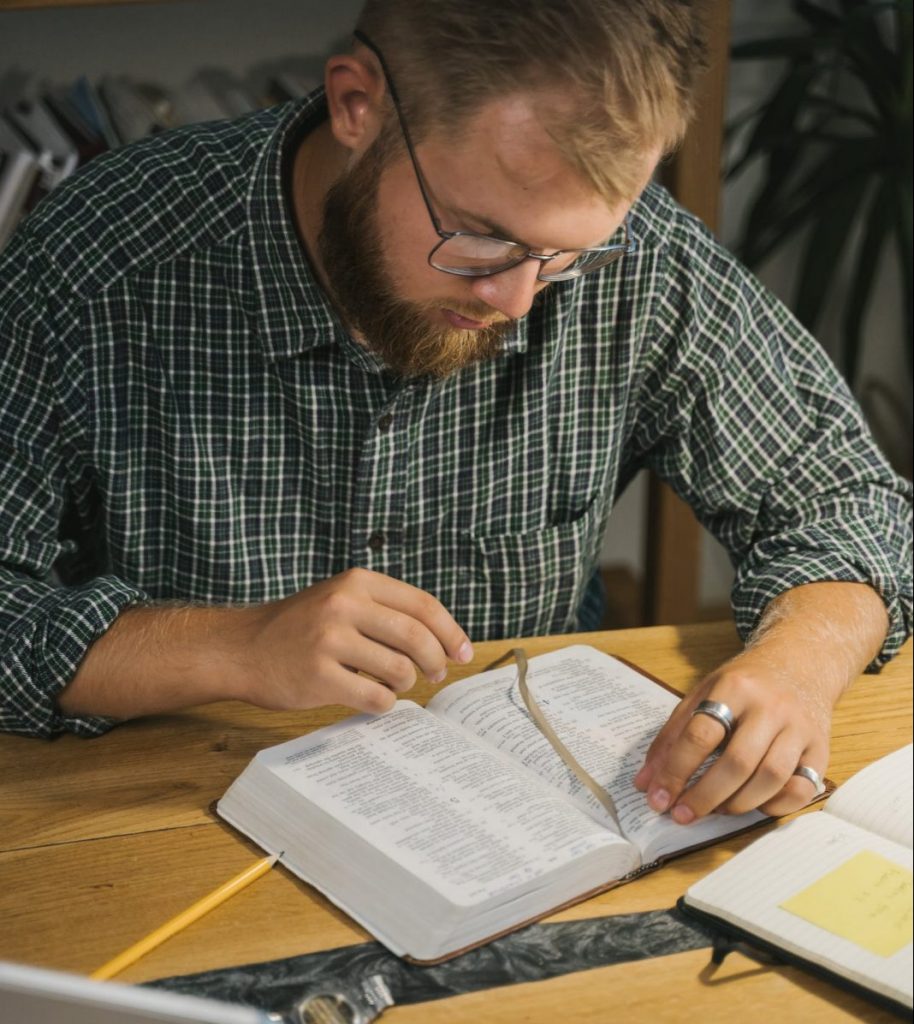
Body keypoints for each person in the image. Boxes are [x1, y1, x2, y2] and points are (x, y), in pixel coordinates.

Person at [0, 0, 910, 829]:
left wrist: (795, 667)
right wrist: (235, 646)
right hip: (161, 820)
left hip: (516, 825)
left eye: (566, 258)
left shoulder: (639, 263)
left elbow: (847, 502)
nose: (518, 302)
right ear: (357, 106)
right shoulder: (101, 266)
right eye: (480, 238)